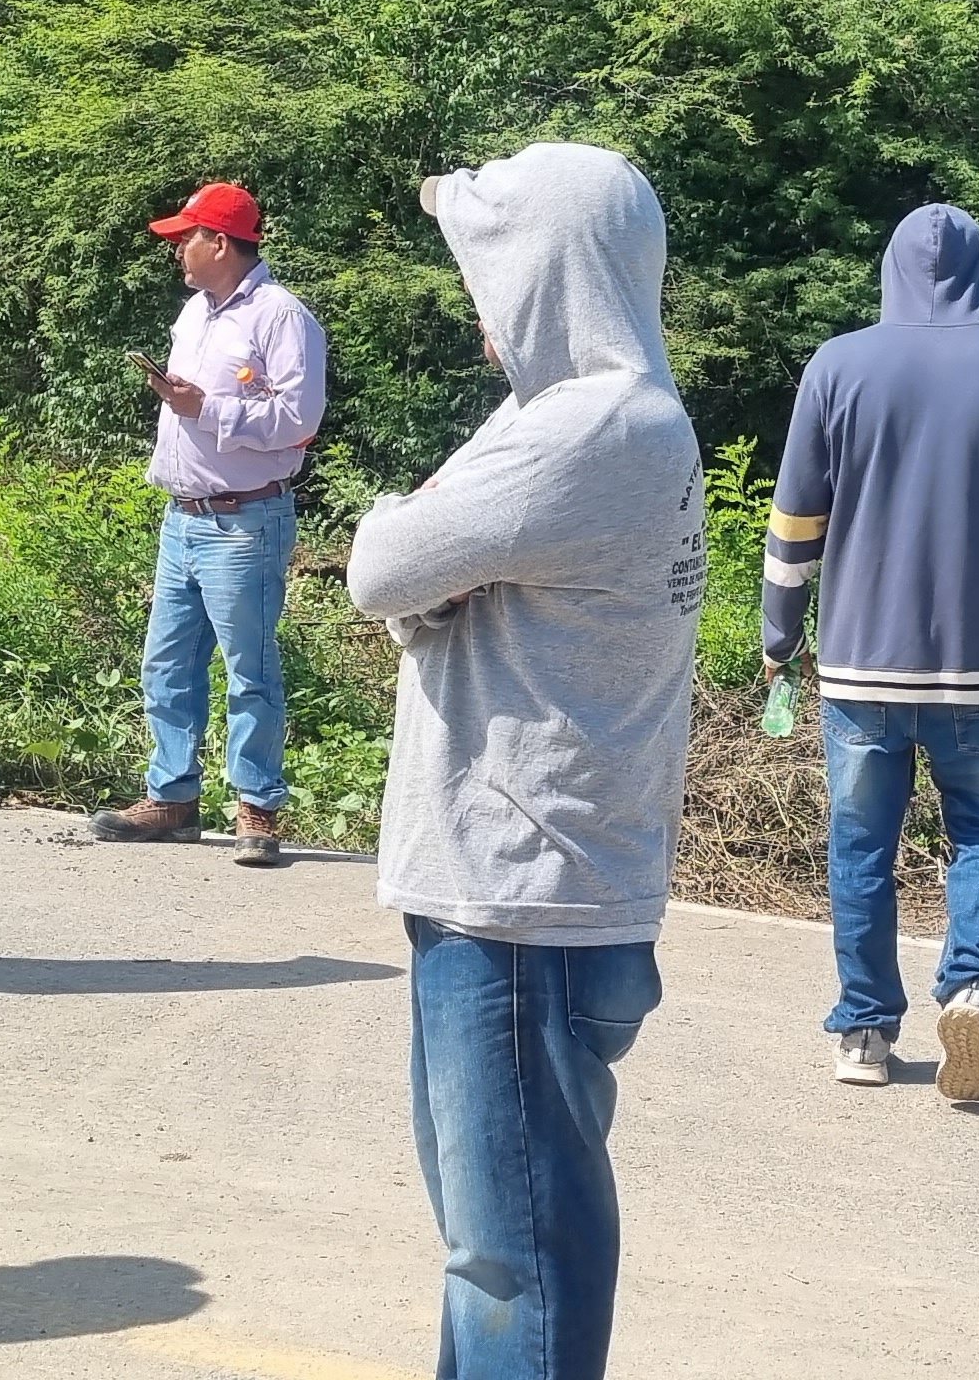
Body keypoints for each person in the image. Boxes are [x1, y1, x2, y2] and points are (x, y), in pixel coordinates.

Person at [345, 142, 704, 1380]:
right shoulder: (612, 414)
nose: (478, 303)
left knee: (513, 1260)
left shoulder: (582, 431)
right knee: (499, 1244)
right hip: (543, 890)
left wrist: (408, 546)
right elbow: (428, 577)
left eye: (490, 267)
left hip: (517, 902)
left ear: (547, 271)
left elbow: (383, 567)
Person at [760, 203, 979, 1100]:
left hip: (859, 664)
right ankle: (971, 986)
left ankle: (865, 1032)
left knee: (860, 847)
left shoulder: (837, 366)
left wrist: (778, 633)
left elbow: (796, 516)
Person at [87, 180, 329, 867]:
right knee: (167, 662)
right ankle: (173, 799)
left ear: (220, 243)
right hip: (183, 517)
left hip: (245, 518)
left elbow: (300, 420)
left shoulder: (283, 317)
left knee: (250, 669)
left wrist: (207, 409)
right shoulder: (195, 312)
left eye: (185, 238)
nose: (177, 251)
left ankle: (259, 808)